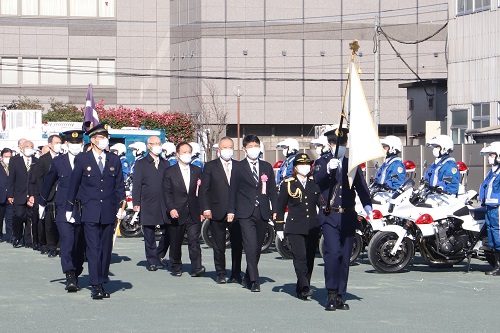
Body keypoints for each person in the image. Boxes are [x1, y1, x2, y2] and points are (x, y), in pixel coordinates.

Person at [313, 125, 372, 311]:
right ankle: (330, 293)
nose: (341, 147)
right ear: (330, 145)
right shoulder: (323, 163)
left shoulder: (351, 164)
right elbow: (316, 179)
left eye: (343, 144)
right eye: (337, 144)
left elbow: (361, 186)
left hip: (347, 215)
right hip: (330, 215)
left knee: (345, 257)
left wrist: (368, 204)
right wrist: (328, 170)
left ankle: (340, 295)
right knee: (332, 254)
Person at [65, 123, 125, 300]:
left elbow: (119, 186)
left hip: (108, 212)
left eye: (106, 137)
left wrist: (122, 206)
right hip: (89, 212)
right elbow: (74, 185)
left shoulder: (114, 160)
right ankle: (96, 285)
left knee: (106, 250)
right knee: (94, 249)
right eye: (101, 138)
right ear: (92, 140)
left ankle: (102, 278)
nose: (105, 140)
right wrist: (69, 208)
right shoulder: (83, 159)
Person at [227, 134, 278, 292]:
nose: (253, 149)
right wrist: (231, 211)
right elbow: (232, 191)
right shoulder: (238, 167)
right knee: (250, 245)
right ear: (244, 149)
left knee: (257, 247)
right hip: (245, 212)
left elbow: (272, 190)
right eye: (250, 146)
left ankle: (249, 274)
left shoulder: (266, 167)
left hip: (262, 211)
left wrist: (275, 210)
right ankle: (254, 281)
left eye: (256, 146)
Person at [39, 130, 86, 292]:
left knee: (80, 245)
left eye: (78, 143)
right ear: (66, 144)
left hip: (83, 209)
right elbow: (48, 182)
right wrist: (42, 203)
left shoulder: (87, 160)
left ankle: (76, 269)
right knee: (67, 242)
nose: (75, 146)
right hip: (64, 208)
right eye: (72, 143)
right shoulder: (59, 161)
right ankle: (70, 275)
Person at [275, 153, 321, 300]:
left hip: (312, 226)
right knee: (300, 257)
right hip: (295, 226)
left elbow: (321, 204)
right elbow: (280, 207)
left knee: (309, 259)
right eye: (302, 164)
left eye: (308, 164)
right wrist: (279, 227)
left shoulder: (315, 184)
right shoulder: (288, 184)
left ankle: (301, 287)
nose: (305, 167)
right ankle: (306, 287)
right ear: (295, 167)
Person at [199, 137, 243, 284]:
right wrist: (205, 208)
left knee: (237, 244)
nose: (228, 149)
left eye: (230, 147)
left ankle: (236, 273)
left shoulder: (239, 166)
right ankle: (221, 273)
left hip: (236, 211)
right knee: (219, 245)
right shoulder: (210, 166)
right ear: (219, 150)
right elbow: (204, 189)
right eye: (225, 147)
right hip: (216, 210)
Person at [163, 141, 204, 277]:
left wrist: (203, 210)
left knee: (194, 240)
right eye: (184, 152)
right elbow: (166, 192)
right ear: (177, 154)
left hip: (193, 211)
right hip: (177, 211)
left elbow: (201, 192)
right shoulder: (170, 172)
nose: (187, 155)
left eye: (189, 152)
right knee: (176, 241)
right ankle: (176, 265)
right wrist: (171, 208)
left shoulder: (197, 170)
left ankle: (196, 267)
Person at [132, 136, 170, 271]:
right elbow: (136, 184)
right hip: (147, 202)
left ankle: (160, 254)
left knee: (168, 231)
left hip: (165, 203)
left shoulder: (166, 163)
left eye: (159, 143)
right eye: (154, 144)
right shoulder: (141, 163)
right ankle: (152, 260)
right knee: (149, 233)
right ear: (148, 146)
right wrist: (136, 202)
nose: (157, 146)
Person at [30, 134, 62, 256]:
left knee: (61, 222)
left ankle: (60, 246)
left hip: (62, 195)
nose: (59, 145)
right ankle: (51, 247)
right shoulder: (43, 160)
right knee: (49, 223)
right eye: (56, 143)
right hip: (48, 196)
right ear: (50, 144)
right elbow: (40, 179)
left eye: (60, 142)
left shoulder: (64, 158)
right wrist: (42, 196)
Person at [7, 140, 38, 248]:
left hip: (32, 194)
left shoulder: (36, 161)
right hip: (19, 194)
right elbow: (11, 179)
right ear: (22, 148)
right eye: (27, 146)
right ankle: (17, 236)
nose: (29, 148)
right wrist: (10, 195)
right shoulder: (15, 161)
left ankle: (28, 240)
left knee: (30, 218)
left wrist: (34, 194)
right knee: (19, 216)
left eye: (31, 146)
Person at [479, 142, 500, 276]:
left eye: (492, 154)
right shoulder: (492, 172)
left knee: (498, 235)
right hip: (489, 208)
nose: (489, 157)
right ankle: (496, 264)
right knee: (492, 236)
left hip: (497, 208)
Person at [0, 148, 13, 242]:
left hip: (11, 196)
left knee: (10, 218)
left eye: (9, 156)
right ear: (2, 157)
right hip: (1, 195)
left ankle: (10, 236)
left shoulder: (13, 167)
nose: (8, 158)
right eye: (6, 157)